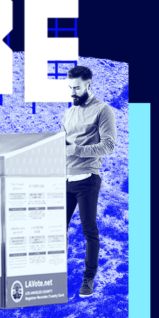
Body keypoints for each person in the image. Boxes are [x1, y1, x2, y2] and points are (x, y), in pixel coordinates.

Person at [61, 65, 116, 297]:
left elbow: (109, 145)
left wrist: (76, 150)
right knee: (55, 229)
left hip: (87, 180)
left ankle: (88, 279)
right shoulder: (68, 113)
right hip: (65, 179)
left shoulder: (103, 110)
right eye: (70, 88)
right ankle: (53, 274)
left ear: (88, 84)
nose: (73, 92)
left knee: (88, 230)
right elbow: (62, 144)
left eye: (77, 88)